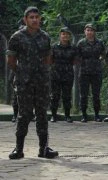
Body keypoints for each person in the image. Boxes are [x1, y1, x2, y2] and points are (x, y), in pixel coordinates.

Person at [6, 6, 58, 159]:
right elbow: (11, 61)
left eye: (37, 17)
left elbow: (49, 59)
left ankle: (44, 149)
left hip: (42, 82)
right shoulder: (17, 37)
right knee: (24, 114)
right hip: (25, 82)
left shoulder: (45, 37)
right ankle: (18, 148)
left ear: (40, 18)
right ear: (25, 19)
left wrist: (41, 72)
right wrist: (22, 73)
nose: (35, 20)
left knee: (42, 114)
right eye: (31, 17)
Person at [77, 23, 105, 122]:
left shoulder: (100, 43)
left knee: (96, 95)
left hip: (96, 72)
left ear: (94, 32)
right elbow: (77, 56)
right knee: (83, 95)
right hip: (84, 72)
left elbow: (103, 54)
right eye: (88, 30)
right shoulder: (81, 43)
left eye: (91, 30)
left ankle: (97, 115)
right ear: (85, 32)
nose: (89, 32)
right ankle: (84, 115)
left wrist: (99, 60)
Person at [50, 27, 77, 123]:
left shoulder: (73, 48)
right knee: (54, 96)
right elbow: (50, 60)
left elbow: (75, 61)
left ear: (69, 36)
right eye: (63, 34)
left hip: (68, 74)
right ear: (60, 36)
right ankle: (53, 115)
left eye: (67, 34)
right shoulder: (54, 47)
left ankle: (67, 116)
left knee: (67, 96)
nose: (65, 36)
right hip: (55, 74)